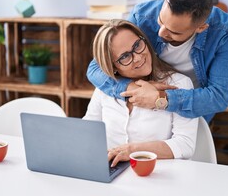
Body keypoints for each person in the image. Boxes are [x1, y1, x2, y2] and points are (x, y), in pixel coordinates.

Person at [87, 0, 228, 122]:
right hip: (144, 101)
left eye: (174, 32)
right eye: (160, 21)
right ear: (165, 0)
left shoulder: (224, 30)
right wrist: (132, 88)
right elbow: (95, 68)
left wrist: (160, 98)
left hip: (190, 108)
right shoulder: (142, 15)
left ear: (200, 28)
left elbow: (220, 97)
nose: (160, 33)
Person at [83, 19, 198, 167]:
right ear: (113, 66)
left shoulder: (179, 84)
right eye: (125, 56)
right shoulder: (105, 87)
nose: (138, 57)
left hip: (160, 174)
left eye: (137, 45)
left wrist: (132, 150)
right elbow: (88, 130)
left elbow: (185, 145)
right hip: (111, 171)